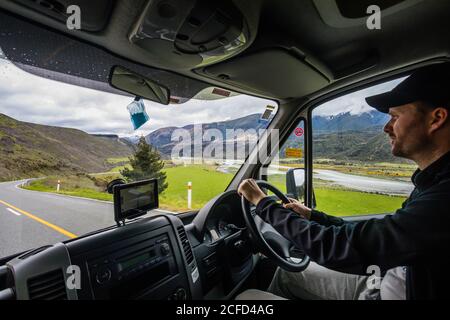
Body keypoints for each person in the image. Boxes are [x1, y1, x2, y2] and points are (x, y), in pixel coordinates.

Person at [236, 62, 450, 300]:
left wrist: (263, 203)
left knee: (247, 300)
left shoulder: (444, 196)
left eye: (395, 117)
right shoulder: (432, 182)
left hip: (395, 289)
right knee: (288, 274)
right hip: (388, 280)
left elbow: (343, 248)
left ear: (436, 119)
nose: (386, 128)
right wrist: (313, 216)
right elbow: (377, 235)